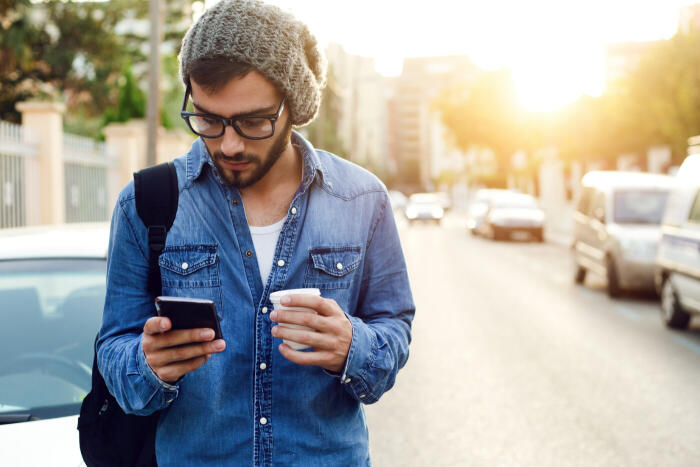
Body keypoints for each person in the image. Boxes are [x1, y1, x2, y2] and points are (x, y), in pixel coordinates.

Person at [97, 0, 415, 465]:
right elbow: (114, 347)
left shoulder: (363, 200)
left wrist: (354, 347)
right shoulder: (144, 204)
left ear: (294, 106)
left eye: (252, 122)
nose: (228, 143)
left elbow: (395, 328)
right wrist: (145, 366)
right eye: (208, 119)